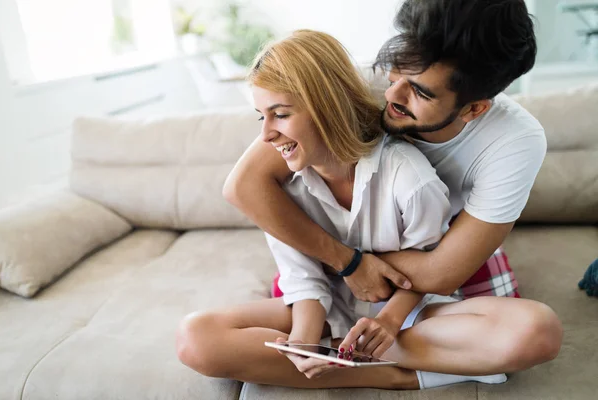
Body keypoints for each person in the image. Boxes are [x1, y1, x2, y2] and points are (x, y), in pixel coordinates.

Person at [176, 29, 558, 390]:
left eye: (281, 114)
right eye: (263, 116)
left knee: (536, 331)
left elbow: (432, 270)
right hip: (332, 304)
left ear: (326, 107)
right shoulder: (283, 186)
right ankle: (399, 372)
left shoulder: (410, 178)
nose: (265, 136)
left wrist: (388, 322)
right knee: (195, 339)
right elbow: (303, 276)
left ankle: (373, 362)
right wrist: (303, 340)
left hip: (407, 315)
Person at [225, 0, 559, 309]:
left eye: (419, 92)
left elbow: (443, 273)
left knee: (526, 334)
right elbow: (244, 187)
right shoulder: (357, 85)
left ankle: (386, 372)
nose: (391, 94)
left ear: (473, 109)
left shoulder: (515, 140)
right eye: (396, 72)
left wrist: (345, 260)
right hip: (343, 248)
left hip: (434, 247)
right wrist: (346, 261)